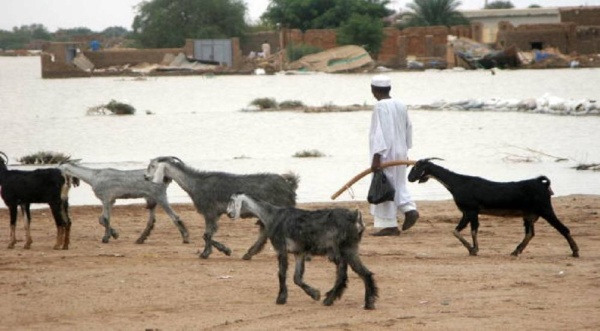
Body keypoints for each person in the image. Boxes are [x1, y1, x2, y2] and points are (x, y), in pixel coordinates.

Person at [368, 74, 419, 236]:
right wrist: (405, 150)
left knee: (384, 185)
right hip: (400, 151)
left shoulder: (380, 106)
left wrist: (377, 157)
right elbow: (408, 128)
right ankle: (409, 209)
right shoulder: (401, 104)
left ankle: (389, 224)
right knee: (398, 183)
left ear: (374, 90)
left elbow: (380, 133)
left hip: (386, 153)